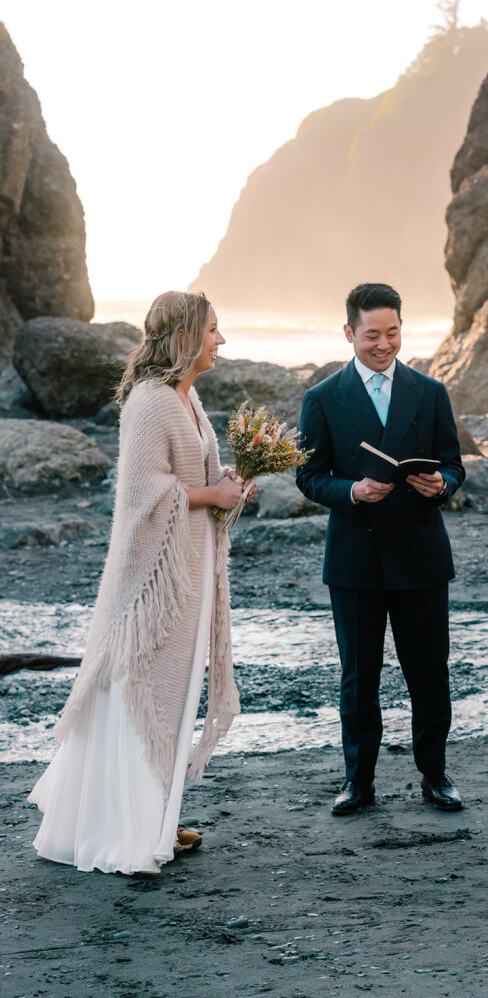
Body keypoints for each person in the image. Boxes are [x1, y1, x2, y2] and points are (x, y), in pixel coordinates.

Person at [28, 290, 255, 874]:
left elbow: (191, 478)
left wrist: (226, 484)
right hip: (151, 585)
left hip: (189, 573)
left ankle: (158, 812)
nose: (220, 340)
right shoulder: (151, 402)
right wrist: (211, 495)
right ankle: (124, 825)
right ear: (184, 337)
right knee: (140, 692)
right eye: (211, 330)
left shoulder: (189, 396)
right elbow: (141, 496)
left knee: (174, 695)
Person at [296, 282, 466, 815]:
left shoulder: (430, 391)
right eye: (372, 334)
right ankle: (358, 780)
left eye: (393, 332)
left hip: (420, 555)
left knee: (429, 672)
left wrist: (443, 486)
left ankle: (435, 774)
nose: (384, 344)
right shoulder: (321, 398)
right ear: (350, 332)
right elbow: (308, 475)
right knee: (357, 676)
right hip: (355, 558)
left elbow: (454, 464)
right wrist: (351, 491)